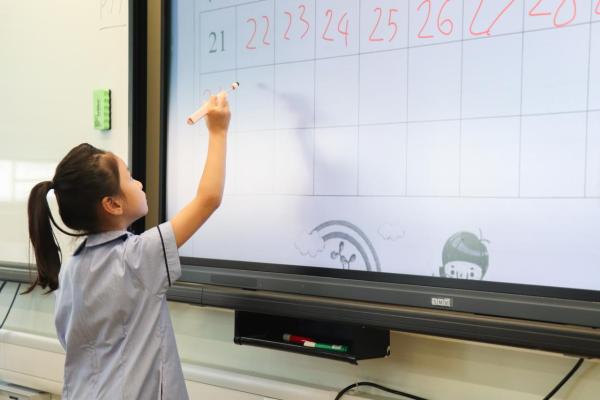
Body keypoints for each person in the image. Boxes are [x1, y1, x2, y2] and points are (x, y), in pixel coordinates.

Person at [25, 92, 230, 399]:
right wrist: (218, 130)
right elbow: (208, 199)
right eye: (130, 178)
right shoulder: (138, 257)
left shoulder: (71, 269)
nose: (139, 183)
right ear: (112, 204)